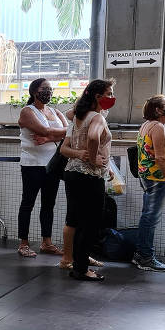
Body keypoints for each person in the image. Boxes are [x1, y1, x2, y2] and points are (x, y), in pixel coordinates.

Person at [60, 79, 115, 281]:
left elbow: (64, 148)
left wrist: (91, 159)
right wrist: (93, 159)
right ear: (97, 96)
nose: (111, 97)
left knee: (78, 221)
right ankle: (82, 268)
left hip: (73, 174)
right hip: (89, 177)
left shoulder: (78, 118)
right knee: (90, 224)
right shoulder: (97, 118)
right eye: (108, 93)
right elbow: (93, 138)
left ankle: (77, 262)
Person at [16, 78, 68, 257]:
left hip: (52, 165)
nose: (49, 92)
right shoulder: (27, 111)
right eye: (45, 88)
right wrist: (51, 135)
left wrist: (48, 139)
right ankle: (23, 243)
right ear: (34, 91)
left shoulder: (55, 111)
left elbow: (69, 133)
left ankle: (47, 242)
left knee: (48, 205)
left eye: (50, 89)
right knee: (28, 203)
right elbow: (44, 130)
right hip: (32, 164)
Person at [133, 95, 165, 271]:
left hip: (148, 177)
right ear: (158, 110)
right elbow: (160, 157)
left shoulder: (146, 125)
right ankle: (145, 257)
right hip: (156, 179)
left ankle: (141, 255)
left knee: (147, 216)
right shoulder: (158, 127)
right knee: (150, 218)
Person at [57, 108, 104, 270]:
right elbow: (65, 149)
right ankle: (70, 259)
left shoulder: (86, 121)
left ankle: (79, 256)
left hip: (83, 173)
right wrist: (85, 156)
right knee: (77, 219)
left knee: (80, 220)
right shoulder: (86, 120)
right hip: (82, 174)